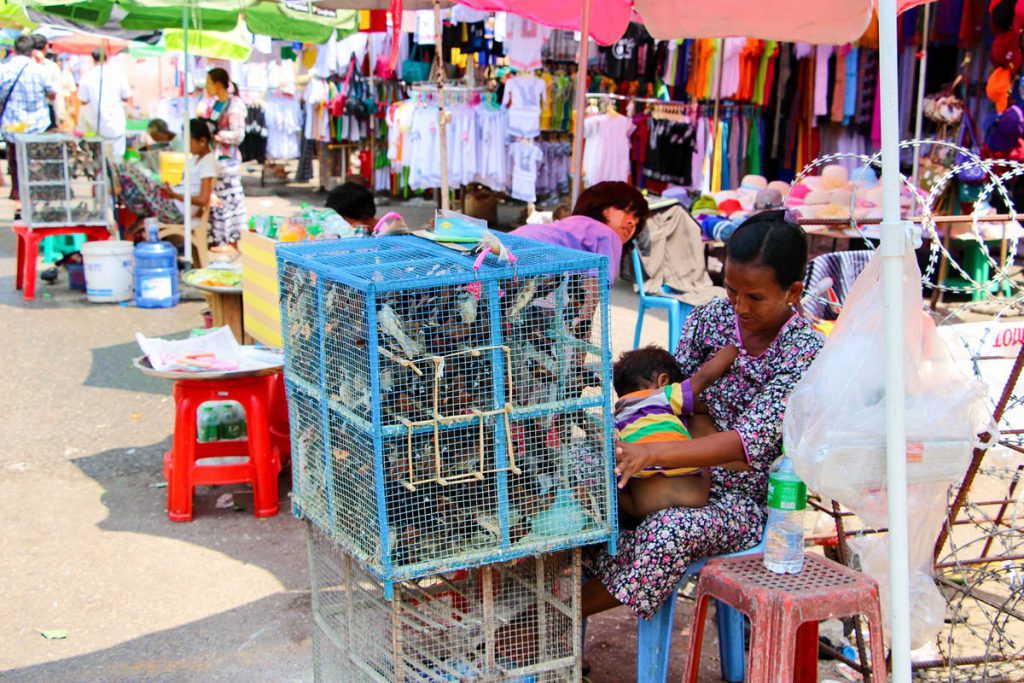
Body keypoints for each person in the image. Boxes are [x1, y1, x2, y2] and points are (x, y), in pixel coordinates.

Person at [584, 210, 824, 621]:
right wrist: (647, 444)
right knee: (582, 476)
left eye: (756, 297)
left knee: (667, 531)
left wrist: (655, 452)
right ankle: (552, 609)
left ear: (794, 291)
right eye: (732, 290)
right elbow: (673, 397)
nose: (740, 307)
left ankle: (559, 619)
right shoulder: (712, 318)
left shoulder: (804, 352)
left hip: (743, 498)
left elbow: (747, 445)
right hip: (672, 460)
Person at [613, 344, 738, 519]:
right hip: (693, 496)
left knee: (617, 466)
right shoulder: (663, 395)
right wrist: (731, 351)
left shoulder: (617, 416)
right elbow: (704, 378)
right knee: (697, 444)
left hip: (646, 504)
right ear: (663, 381)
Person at [510, 181, 649, 285]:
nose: (632, 223)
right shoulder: (607, 234)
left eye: (637, 220)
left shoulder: (575, 223)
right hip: (530, 258)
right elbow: (594, 289)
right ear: (601, 205)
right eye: (626, 212)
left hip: (511, 242)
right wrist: (585, 321)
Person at [119, 119, 216, 233]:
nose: (187, 147)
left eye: (189, 143)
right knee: (134, 175)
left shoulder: (207, 162)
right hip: (173, 201)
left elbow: (203, 199)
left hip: (176, 211)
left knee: (132, 175)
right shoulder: (195, 158)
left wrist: (175, 195)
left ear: (202, 141)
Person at [0, 34, 56, 212]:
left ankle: (19, 199)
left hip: (13, 124)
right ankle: (35, 195)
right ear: (33, 50)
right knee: (35, 162)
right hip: (37, 125)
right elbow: (52, 93)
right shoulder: (40, 69)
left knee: (15, 162)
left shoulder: (5, 69)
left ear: (15, 49)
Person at [197, 67, 247, 252]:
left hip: (228, 161)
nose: (207, 87)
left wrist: (215, 134)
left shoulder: (234, 105)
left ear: (218, 84)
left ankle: (232, 240)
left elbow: (238, 135)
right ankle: (218, 238)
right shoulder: (214, 104)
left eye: (209, 83)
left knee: (229, 201)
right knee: (216, 200)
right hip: (213, 160)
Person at [78, 47, 131, 159]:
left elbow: (83, 100)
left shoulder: (87, 77)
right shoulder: (117, 75)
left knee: (101, 158)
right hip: (116, 123)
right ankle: (117, 174)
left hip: (97, 124)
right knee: (117, 157)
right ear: (107, 58)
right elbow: (127, 97)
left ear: (93, 59)